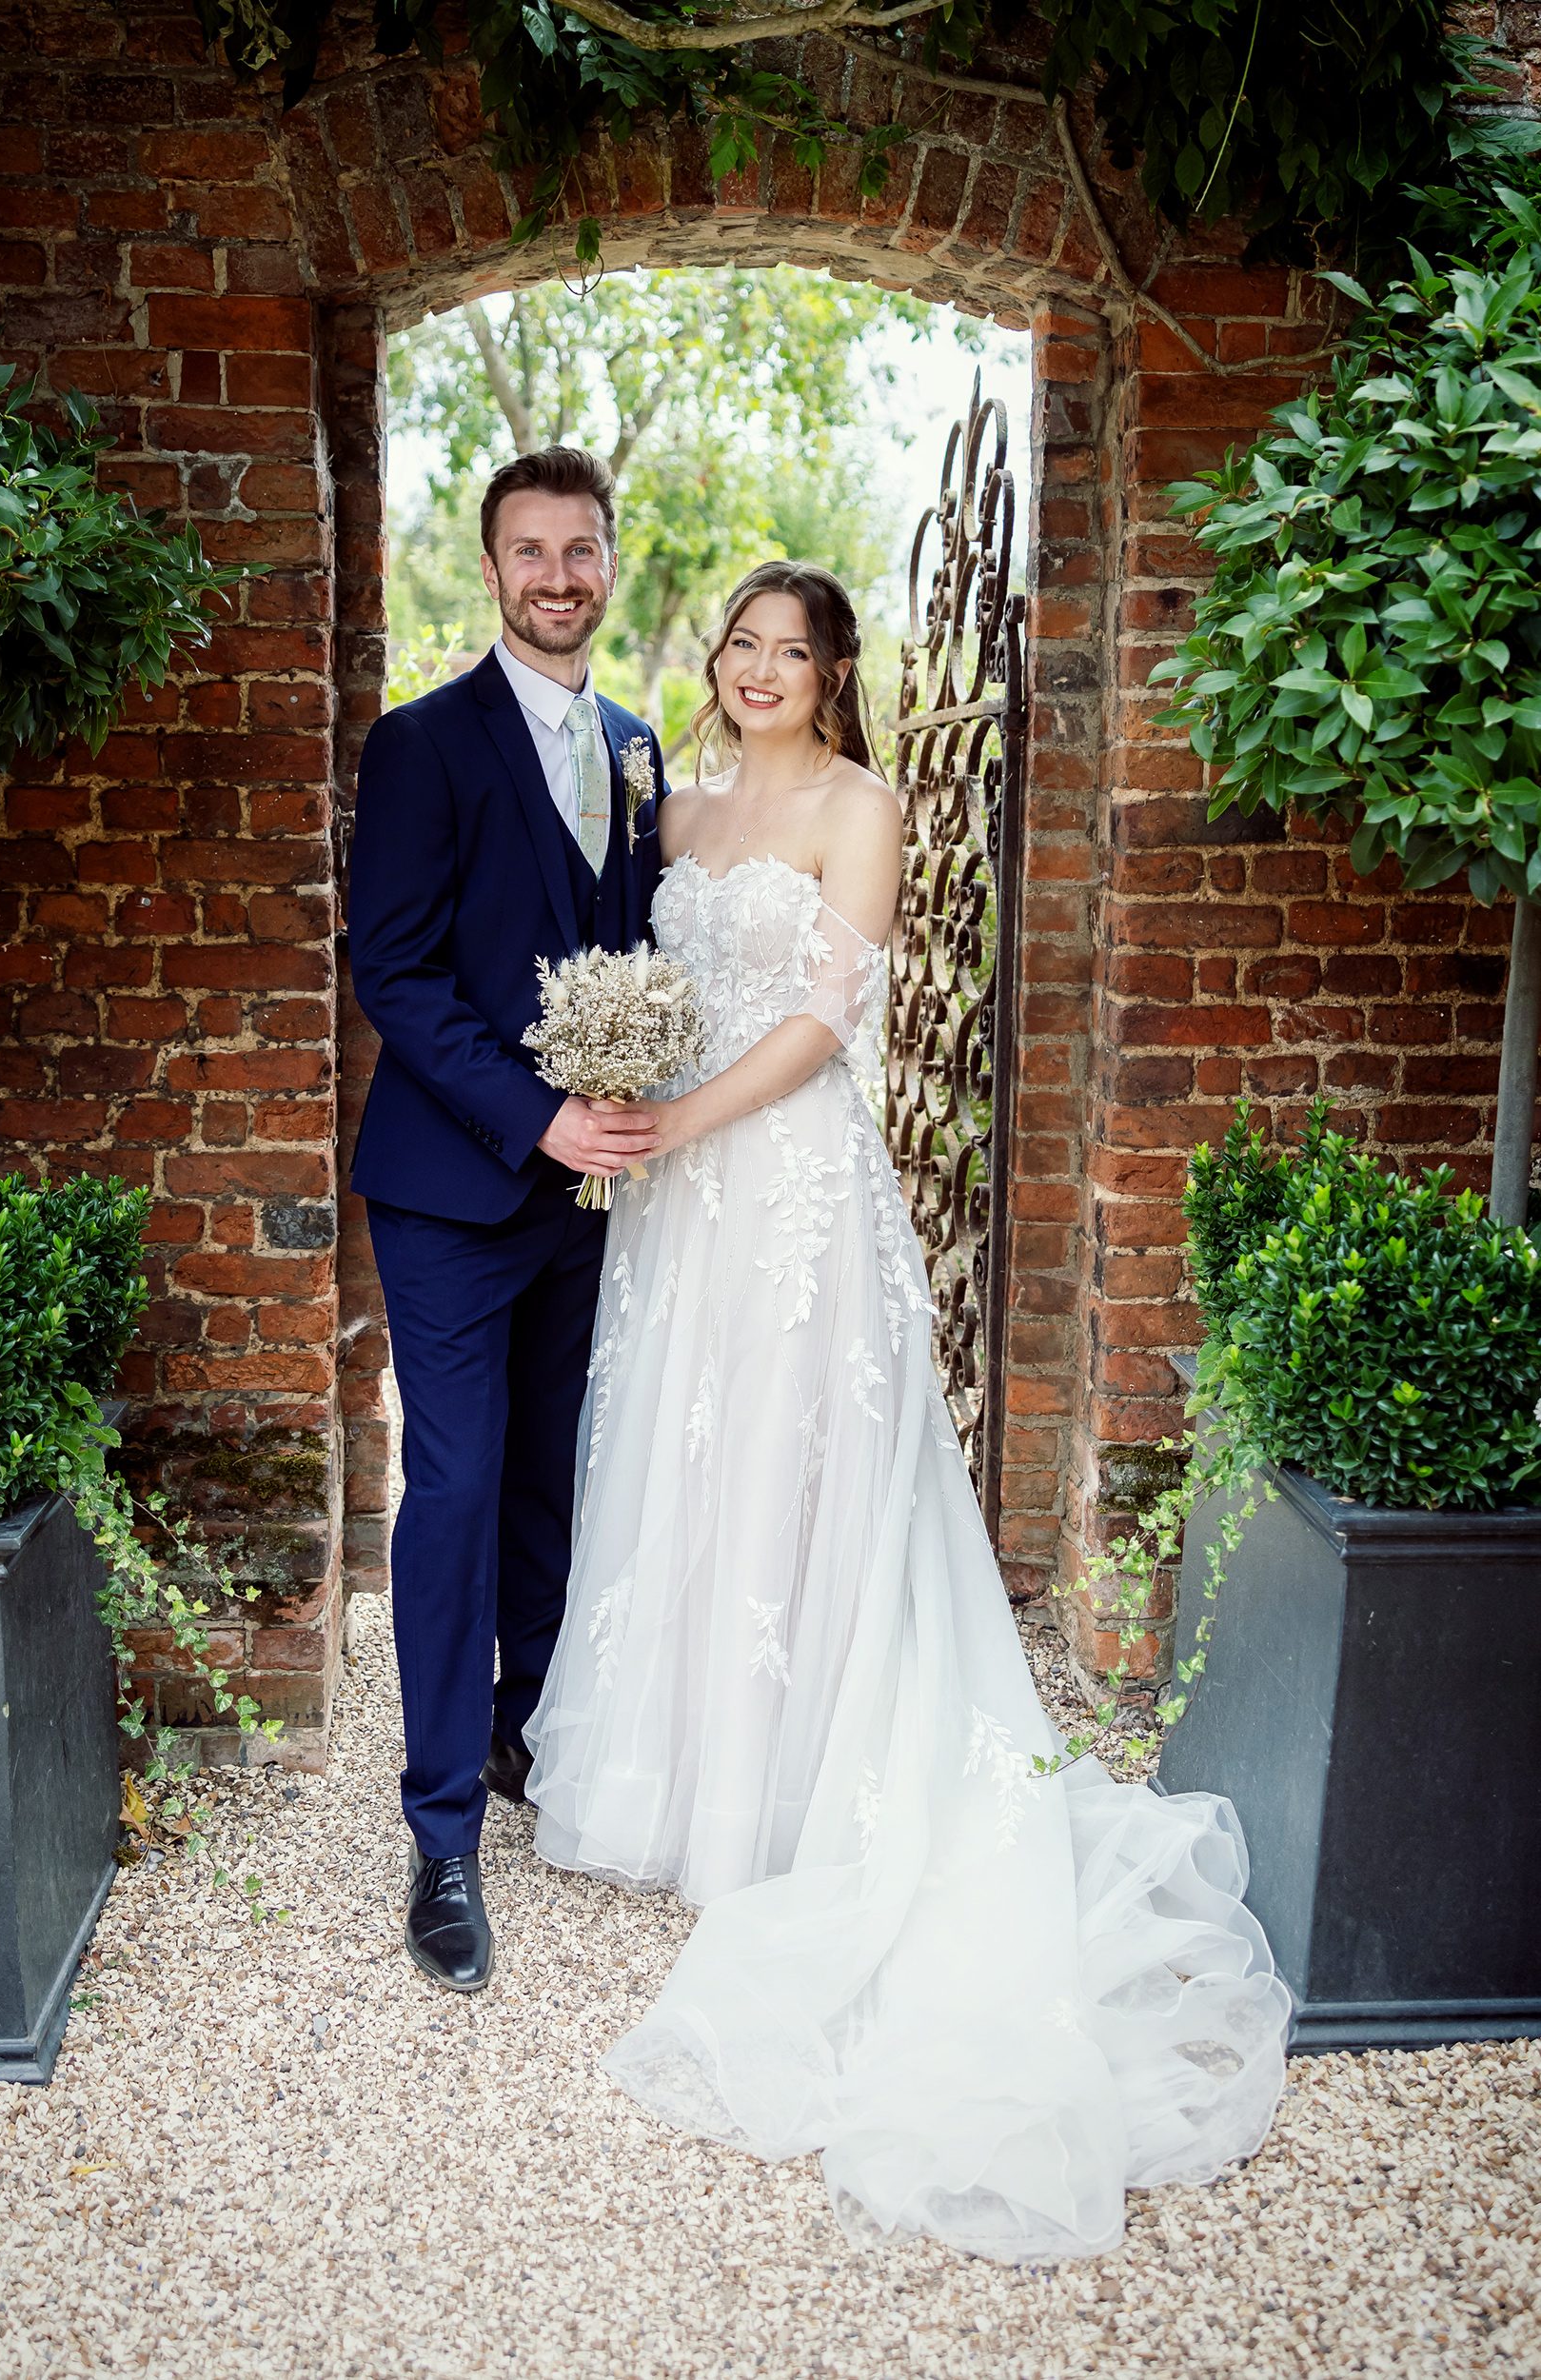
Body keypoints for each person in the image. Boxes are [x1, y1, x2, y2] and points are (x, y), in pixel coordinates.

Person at [524, 559, 1291, 2262]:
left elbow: (819, 1021)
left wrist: (684, 1118)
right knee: (677, 1463)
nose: (758, 669)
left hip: (783, 1182)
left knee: (803, 1469)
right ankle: (682, 1784)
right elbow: (645, 983)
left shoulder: (864, 809)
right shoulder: (675, 807)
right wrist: (617, 1084)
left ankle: (803, 1797)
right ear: (715, 660)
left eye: (789, 650)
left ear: (834, 671)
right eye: (739, 643)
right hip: (674, 1203)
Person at [348, 446, 667, 1993]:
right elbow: (395, 977)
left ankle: (534, 1733)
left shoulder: (637, 743)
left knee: (557, 1479)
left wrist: (637, 1100)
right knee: (459, 1491)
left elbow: (632, 951)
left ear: (611, 563)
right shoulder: (420, 745)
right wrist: (536, 1112)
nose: (557, 576)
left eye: (580, 550)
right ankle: (441, 1834)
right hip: (450, 1189)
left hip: (591, 1196)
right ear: (489, 571)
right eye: (529, 552)